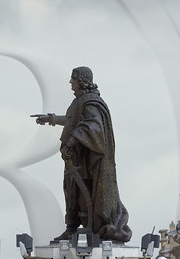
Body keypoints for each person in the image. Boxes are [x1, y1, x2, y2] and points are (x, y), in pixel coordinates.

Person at [34, 66, 131, 244]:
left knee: (81, 192)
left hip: (88, 160)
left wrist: (71, 142)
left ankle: (89, 227)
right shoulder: (80, 101)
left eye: (73, 78)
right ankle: (71, 228)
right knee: (71, 191)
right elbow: (74, 121)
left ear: (81, 80)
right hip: (77, 158)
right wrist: (52, 119)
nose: (70, 82)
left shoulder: (91, 101)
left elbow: (92, 126)